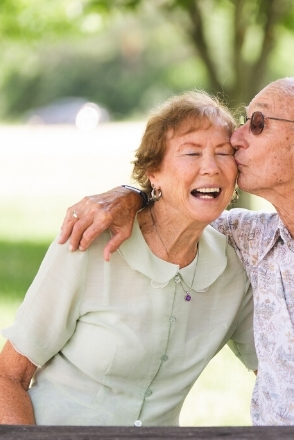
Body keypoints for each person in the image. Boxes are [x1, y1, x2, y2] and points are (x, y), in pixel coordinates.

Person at [57, 77, 294, 426]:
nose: (236, 138)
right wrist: (131, 195)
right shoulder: (244, 236)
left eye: (258, 123)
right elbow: (174, 206)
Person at [0, 91, 257, 426]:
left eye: (224, 153)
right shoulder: (88, 246)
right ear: (154, 173)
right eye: (191, 152)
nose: (210, 167)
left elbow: (275, 374)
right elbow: (8, 376)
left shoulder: (235, 270)